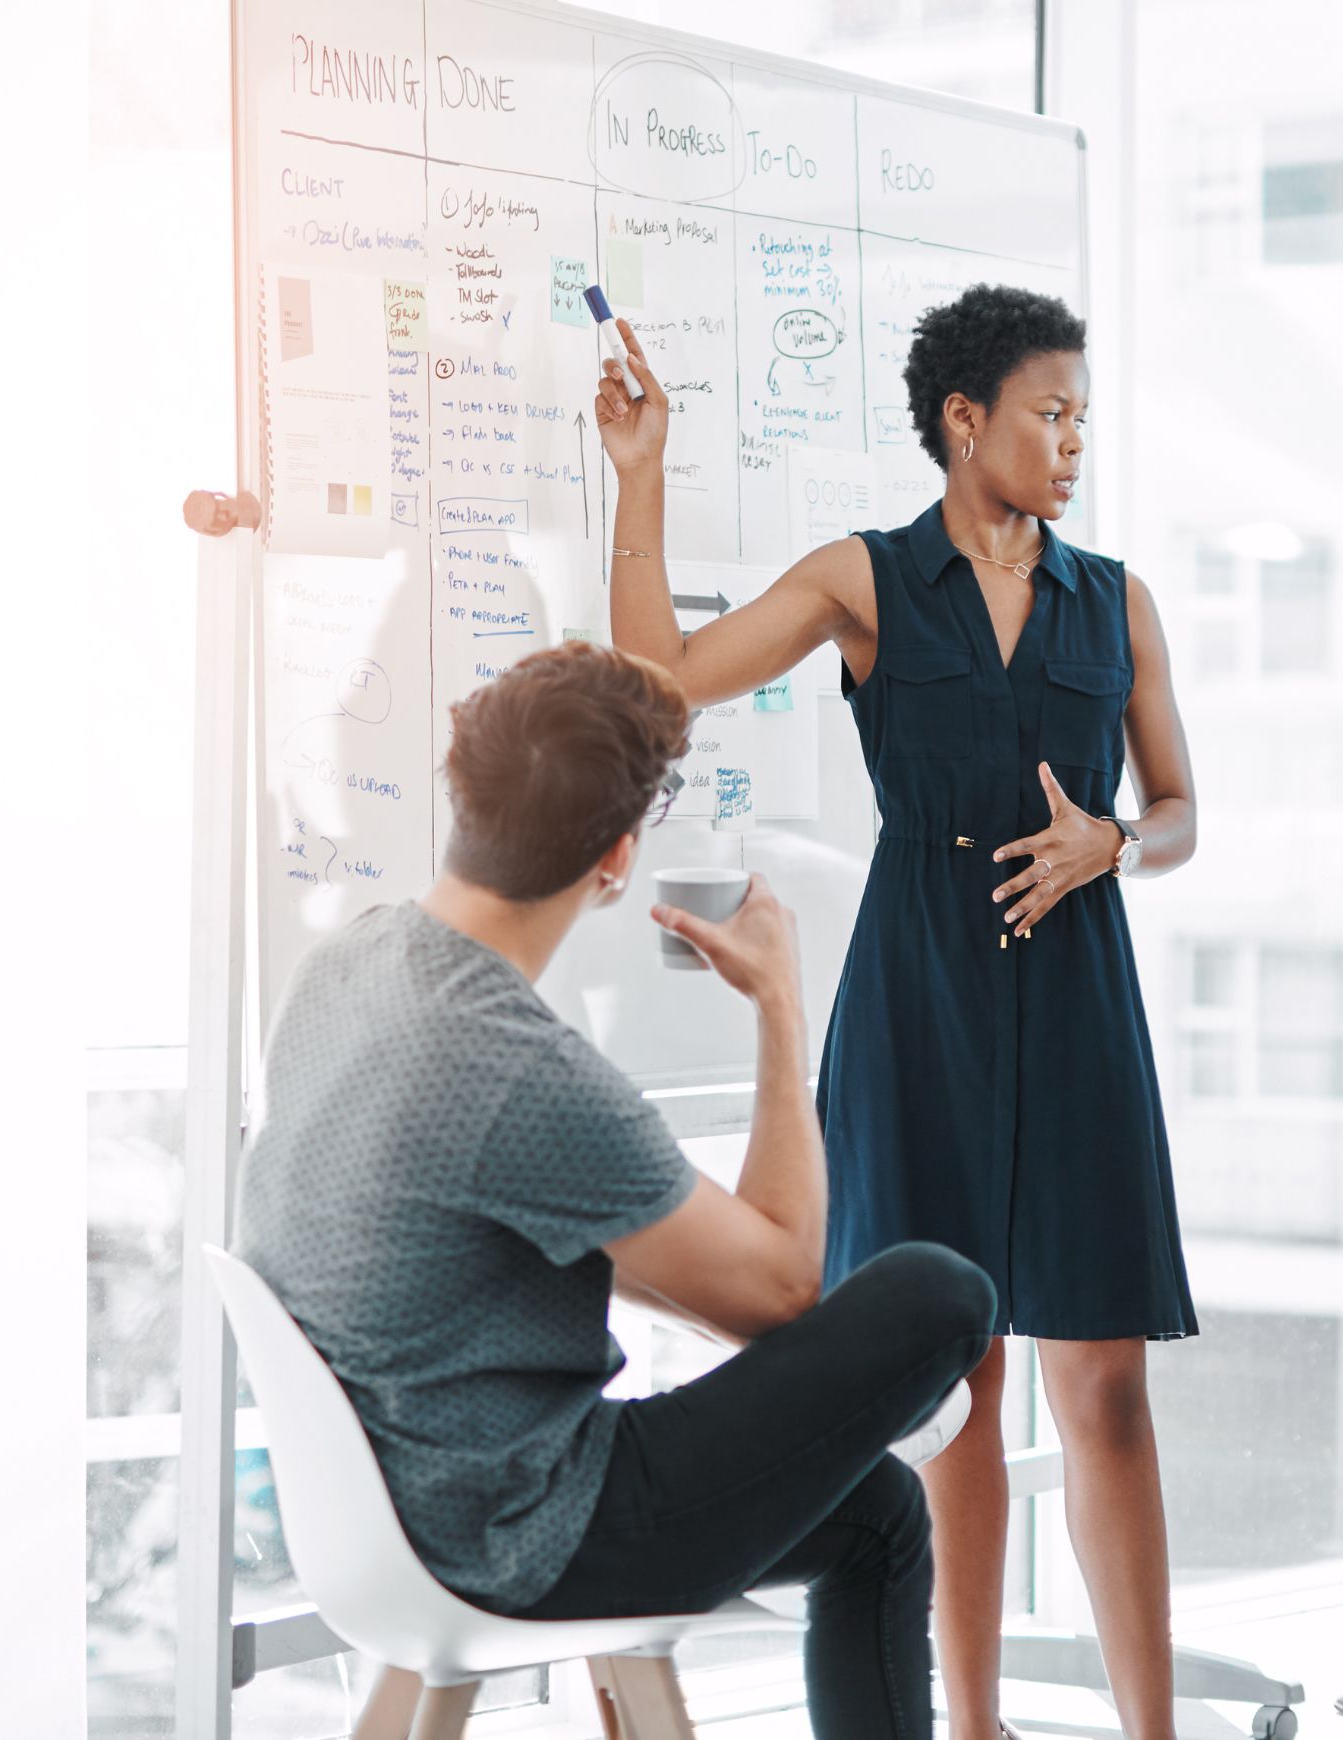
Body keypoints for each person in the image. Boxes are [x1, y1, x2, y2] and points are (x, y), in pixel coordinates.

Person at [590, 286, 1199, 1740]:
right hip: (920, 989)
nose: (1070, 444)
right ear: (964, 421)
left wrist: (1112, 842)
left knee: (1103, 1382)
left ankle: (1155, 1734)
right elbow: (657, 685)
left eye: (1082, 419)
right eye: (1048, 414)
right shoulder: (863, 581)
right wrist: (641, 476)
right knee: (959, 1383)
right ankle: (971, 1729)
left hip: (1077, 997)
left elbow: (1178, 813)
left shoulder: (1116, 598)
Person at [236, 645, 996, 1740]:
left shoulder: (348, 964)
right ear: (619, 857)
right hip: (521, 1535)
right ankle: (907, 1412)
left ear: (468, 793)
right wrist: (781, 1007)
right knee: (940, 1291)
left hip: (381, 1517)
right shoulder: (516, 1066)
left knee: (873, 1511)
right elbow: (783, 1286)